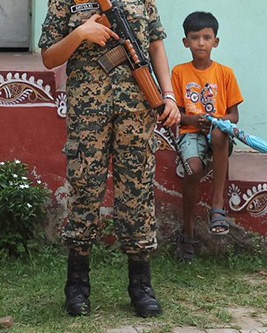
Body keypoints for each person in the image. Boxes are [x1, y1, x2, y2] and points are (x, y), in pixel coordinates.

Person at [38, 0, 180, 318]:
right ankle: (77, 286)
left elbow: (155, 45)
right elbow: (49, 56)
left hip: (137, 108)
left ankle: (141, 287)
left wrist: (168, 95)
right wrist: (81, 34)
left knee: (137, 192)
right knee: (85, 190)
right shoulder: (65, 2)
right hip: (88, 111)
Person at [171, 11, 243, 262]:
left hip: (217, 136)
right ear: (185, 42)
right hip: (191, 133)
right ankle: (188, 232)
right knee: (192, 170)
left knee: (219, 133)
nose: (201, 43)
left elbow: (234, 115)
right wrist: (193, 120)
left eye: (206, 37)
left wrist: (218, 121)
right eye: (195, 38)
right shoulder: (179, 73)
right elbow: (176, 113)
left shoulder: (225, 73)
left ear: (216, 41)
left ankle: (217, 206)